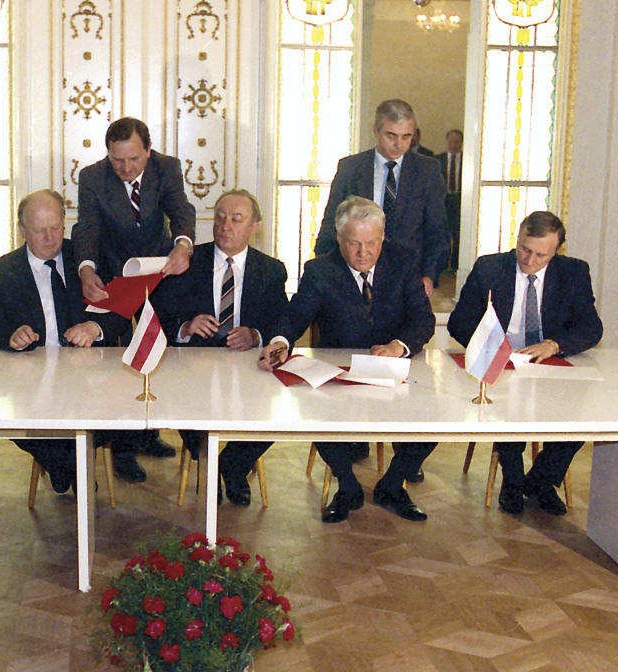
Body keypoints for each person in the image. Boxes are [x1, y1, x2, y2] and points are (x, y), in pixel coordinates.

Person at [259, 196, 436, 524]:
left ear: (383, 238)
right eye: (353, 243)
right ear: (339, 240)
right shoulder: (320, 270)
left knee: (435, 418)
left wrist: (399, 345)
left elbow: (424, 320)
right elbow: (297, 313)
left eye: (371, 243)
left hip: (394, 368)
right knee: (313, 412)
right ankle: (348, 486)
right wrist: (280, 341)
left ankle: (392, 485)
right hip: (340, 370)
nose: (363, 253)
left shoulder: (404, 261)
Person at [447, 211, 602, 516]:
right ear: (517, 239)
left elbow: (591, 328)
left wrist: (554, 344)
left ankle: (540, 482)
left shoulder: (573, 272)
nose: (529, 260)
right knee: (507, 409)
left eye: (541, 254)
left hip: (548, 361)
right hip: (501, 362)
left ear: (556, 251)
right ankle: (513, 482)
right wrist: (491, 347)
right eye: (524, 249)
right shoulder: (490, 267)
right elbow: (459, 322)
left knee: (580, 421)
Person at [0, 190, 128, 493]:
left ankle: (64, 464)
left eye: (56, 228)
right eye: (39, 230)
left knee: (119, 416)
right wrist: (12, 335)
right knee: (6, 417)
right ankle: (68, 465)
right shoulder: (1, 273)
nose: (50, 238)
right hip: (33, 380)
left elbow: (121, 313)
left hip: (89, 381)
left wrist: (94, 326)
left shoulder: (88, 262)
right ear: (22, 230)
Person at [73, 116, 197, 474]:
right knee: (119, 358)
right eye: (117, 160)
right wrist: (86, 270)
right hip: (114, 273)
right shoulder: (93, 177)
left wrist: (183, 246)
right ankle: (122, 448)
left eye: (134, 160)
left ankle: (148, 433)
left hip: (159, 271)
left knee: (155, 350)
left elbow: (181, 210)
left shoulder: (167, 168)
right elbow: (87, 227)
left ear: (148, 151)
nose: (126, 168)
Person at [154, 189, 287, 505]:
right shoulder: (188, 262)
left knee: (275, 411)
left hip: (247, 366)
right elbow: (158, 315)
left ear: (254, 226)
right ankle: (206, 462)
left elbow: (282, 320)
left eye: (236, 219)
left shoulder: (271, 270)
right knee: (185, 405)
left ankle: (233, 466)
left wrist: (255, 335)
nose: (225, 226)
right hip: (193, 367)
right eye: (220, 218)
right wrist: (186, 327)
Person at [314, 99, 449, 298]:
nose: (399, 144)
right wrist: (329, 273)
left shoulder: (428, 170)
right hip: (355, 271)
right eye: (391, 135)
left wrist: (429, 276)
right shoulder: (351, 168)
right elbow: (331, 224)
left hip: (407, 275)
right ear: (376, 131)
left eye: (406, 136)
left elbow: (437, 231)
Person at [436, 129, 463, 270]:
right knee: (442, 234)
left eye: (457, 142)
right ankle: (442, 265)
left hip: (460, 201)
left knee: (458, 233)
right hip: (443, 202)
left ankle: (455, 265)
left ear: (461, 143)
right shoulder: (438, 160)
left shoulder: (467, 160)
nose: (453, 145)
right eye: (451, 141)